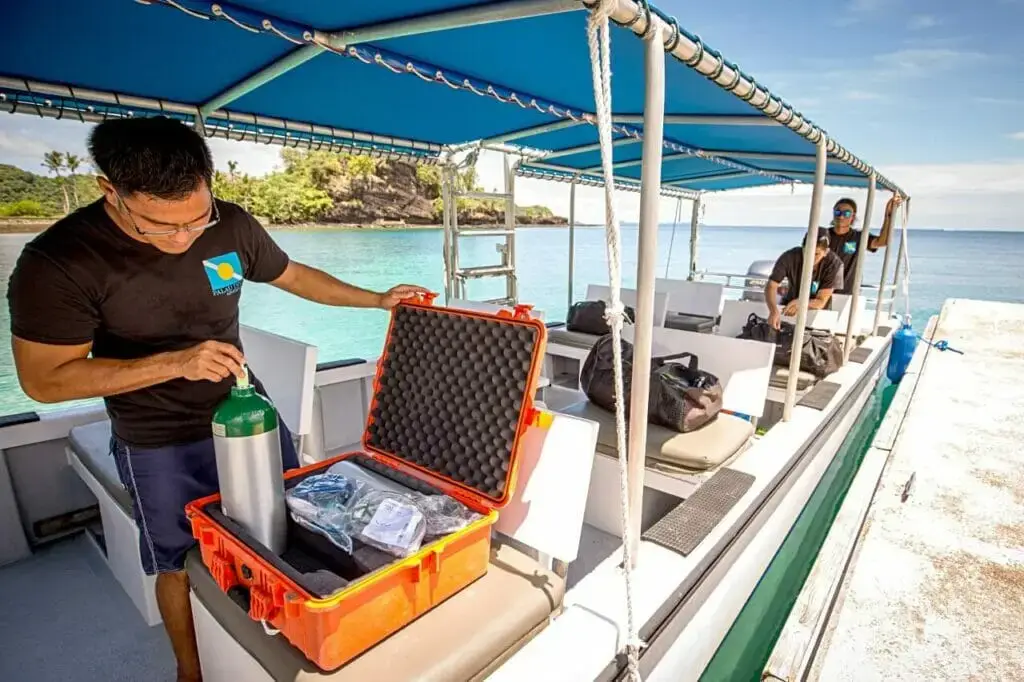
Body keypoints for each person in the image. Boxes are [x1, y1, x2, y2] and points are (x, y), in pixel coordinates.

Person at [6, 116, 428, 682]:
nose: (184, 238)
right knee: (176, 561)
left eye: (196, 218)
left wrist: (376, 299)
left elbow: (293, 275)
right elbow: (46, 380)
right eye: (160, 226)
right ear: (110, 191)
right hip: (155, 438)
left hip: (247, 414)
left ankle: (291, 637)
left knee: (290, 523)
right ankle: (190, 671)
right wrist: (175, 363)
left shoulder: (228, 224)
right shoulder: (58, 263)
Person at [764, 227, 844, 330]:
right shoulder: (789, 257)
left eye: (816, 254)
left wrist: (801, 303)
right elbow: (771, 285)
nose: (811, 257)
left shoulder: (834, 265)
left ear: (826, 252)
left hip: (818, 312)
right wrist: (773, 310)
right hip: (789, 305)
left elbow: (821, 301)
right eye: (808, 252)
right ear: (802, 247)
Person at [827, 194, 902, 294]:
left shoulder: (858, 237)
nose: (841, 216)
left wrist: (888, 215)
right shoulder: (823, 235)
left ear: (853, 216)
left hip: (847, 294)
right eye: (838, 212)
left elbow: (882, 242)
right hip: (821, 293)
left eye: (847, 213)